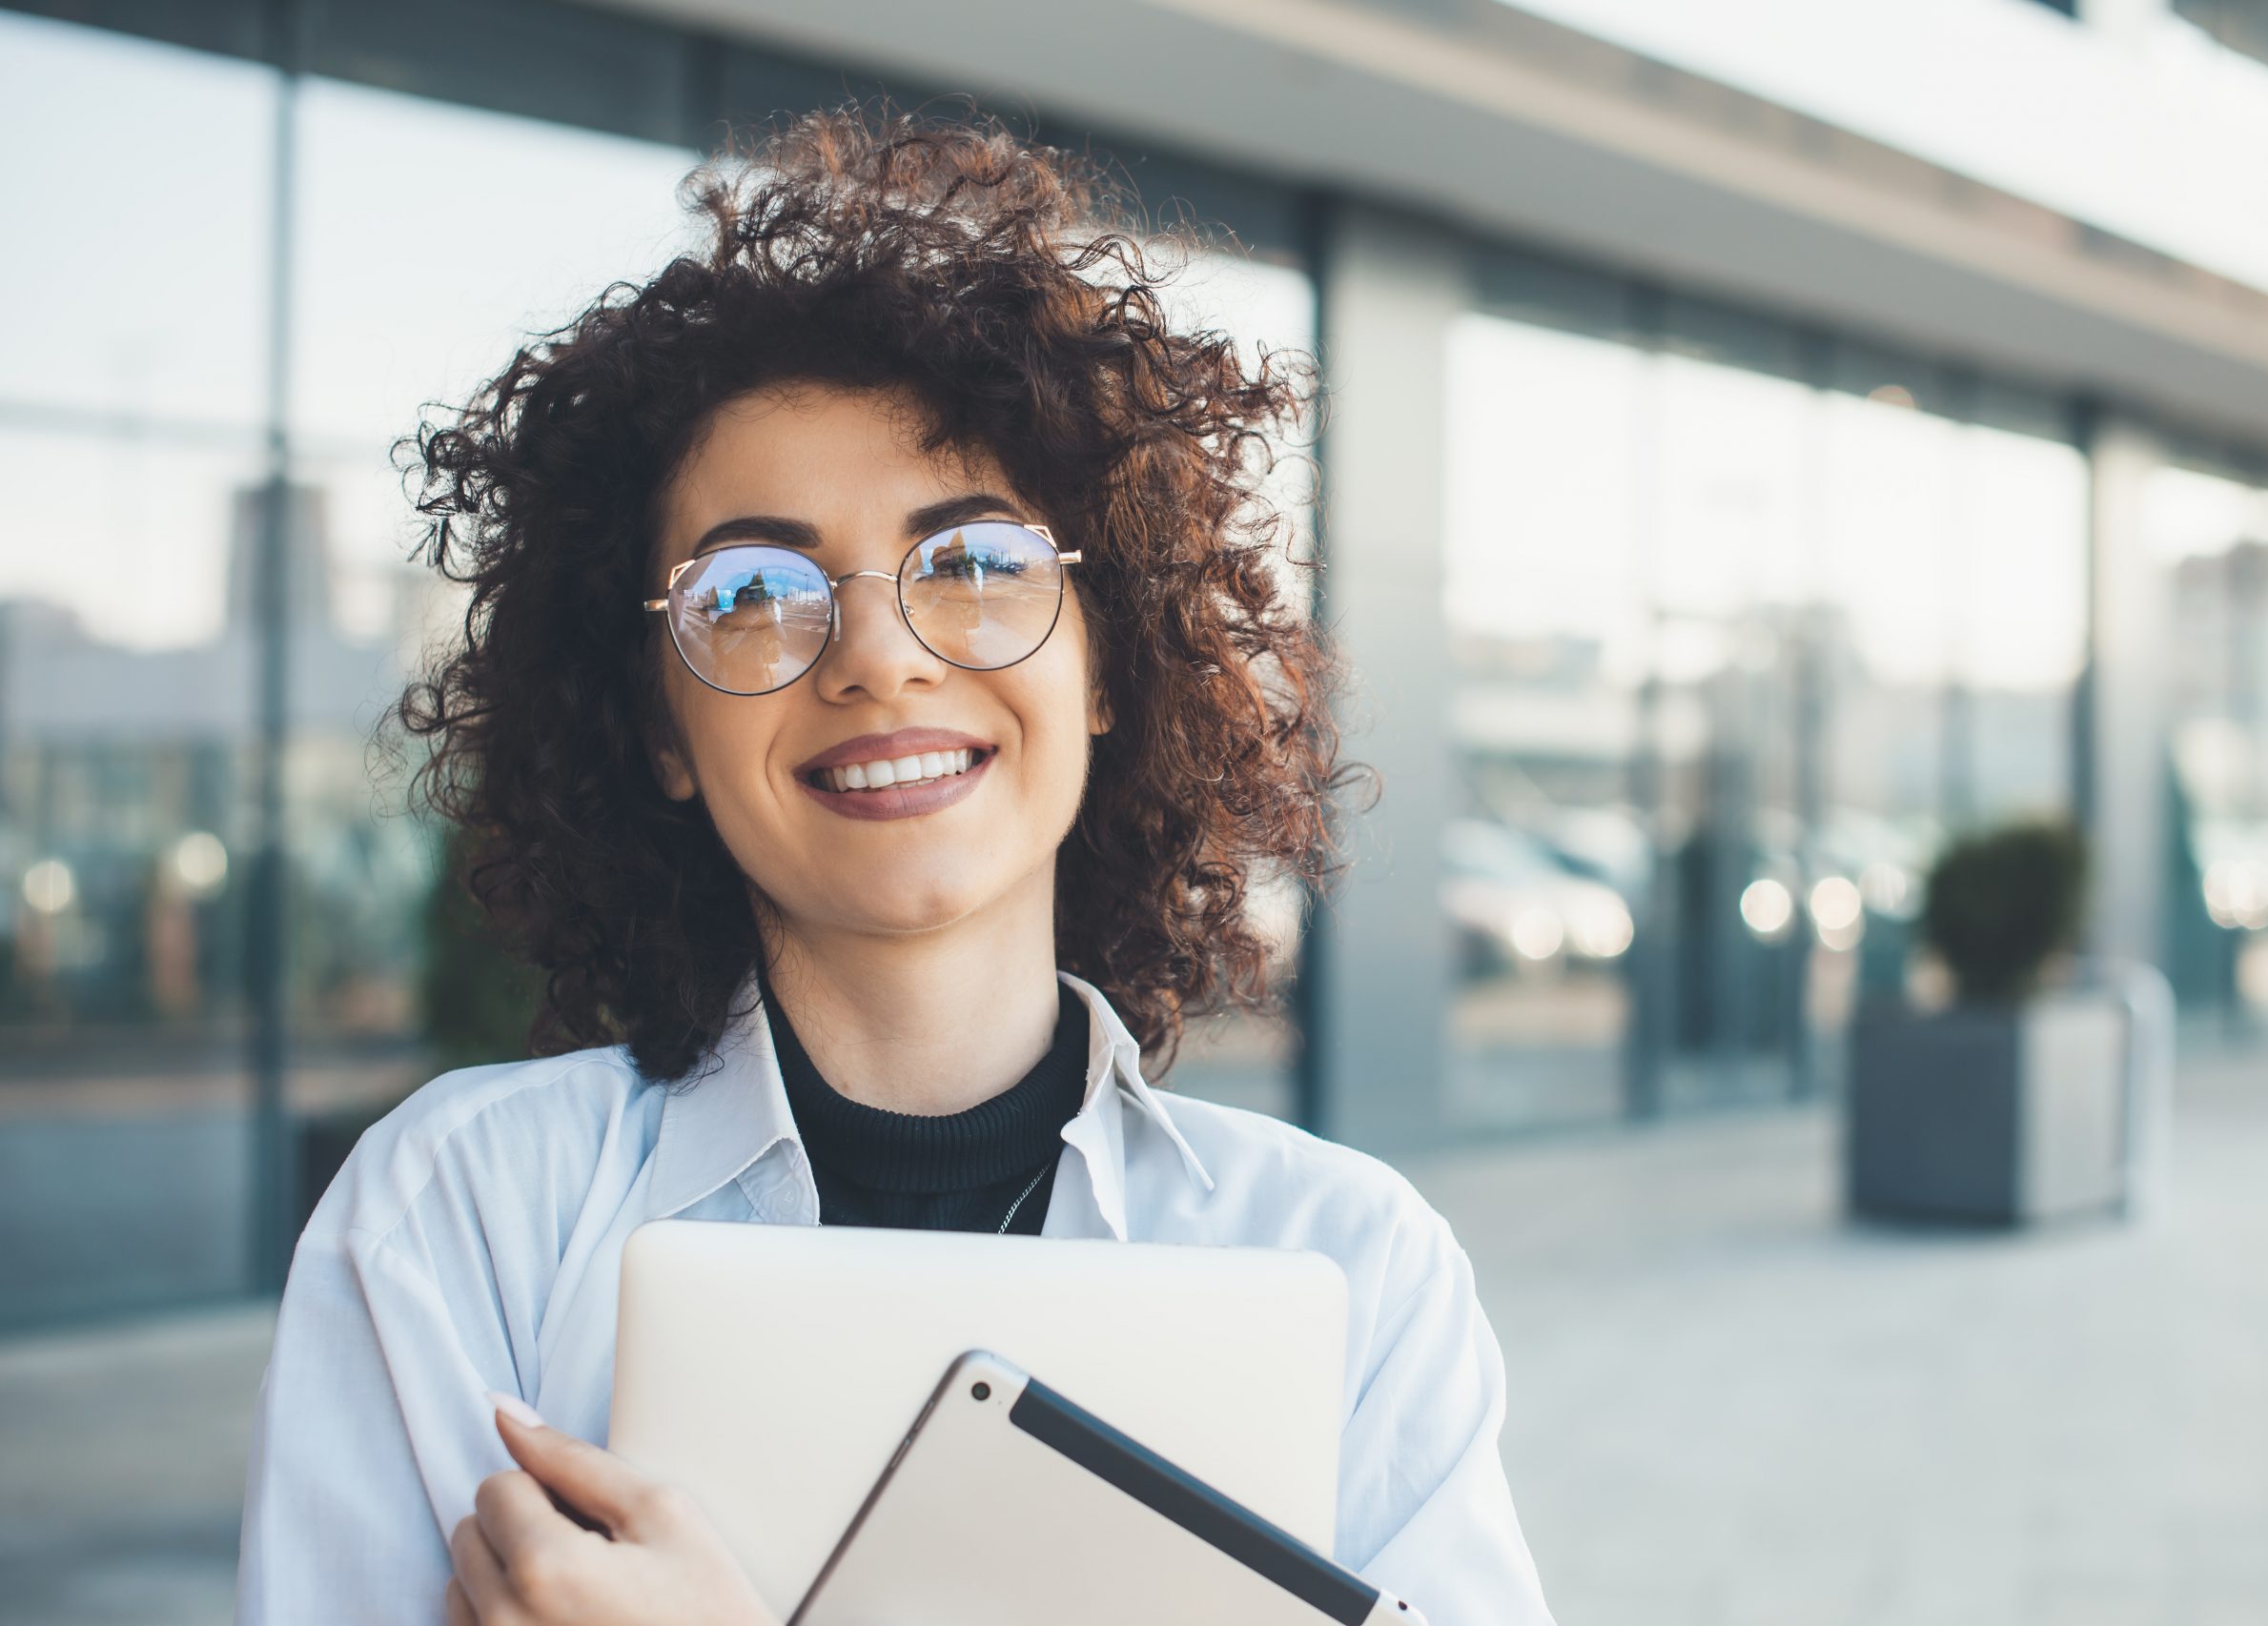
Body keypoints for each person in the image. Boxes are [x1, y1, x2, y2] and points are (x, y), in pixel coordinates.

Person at [235, 109, 1552, 1626]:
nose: (876, 657)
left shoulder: (1352, 1272)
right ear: (663, 724)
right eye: (752, 593)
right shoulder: (461, 1220)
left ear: (1107, 664)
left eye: (976, 564)